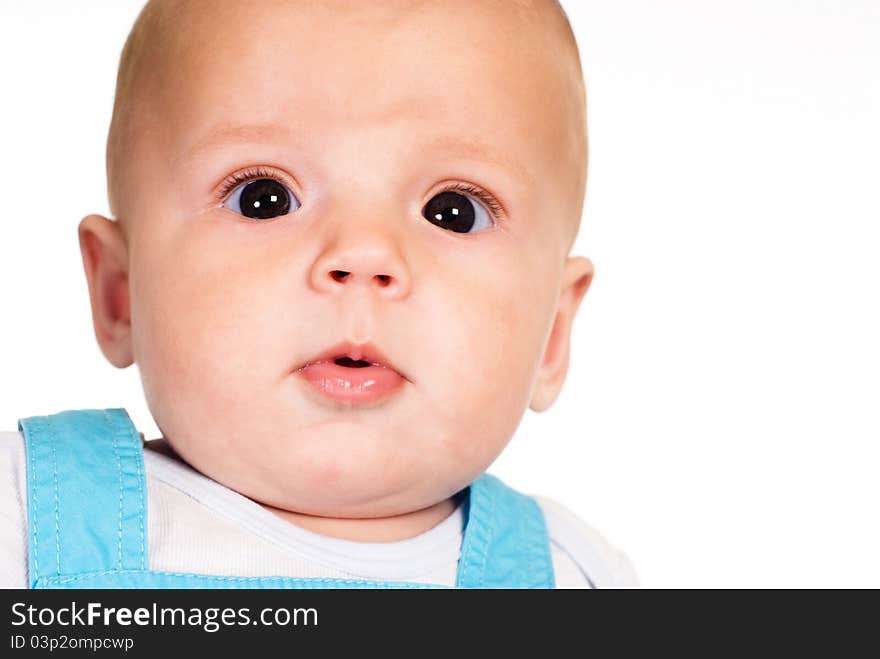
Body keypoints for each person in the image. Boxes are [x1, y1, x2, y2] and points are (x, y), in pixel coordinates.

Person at [0, 0, 637, 588]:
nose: (362, 255)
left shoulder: (574, 576)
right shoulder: (28, 515)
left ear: (552, 333)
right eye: (264, 199)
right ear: (120, 293)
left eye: (453, 211)